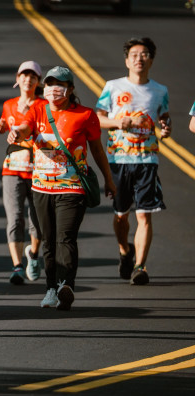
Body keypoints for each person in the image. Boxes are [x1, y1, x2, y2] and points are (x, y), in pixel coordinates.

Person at [8, 66, 116, 310]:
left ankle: (65, 285)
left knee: (65, 237)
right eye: (49, 84)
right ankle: (50, 288)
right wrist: (16, 133)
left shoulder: (85, 115)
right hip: (41, 188)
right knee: (48, 241)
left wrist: (108, 180)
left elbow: (97, 150)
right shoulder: (37, 109)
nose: (53, 89)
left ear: (70, 88)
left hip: (72, 187)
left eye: (60, 84)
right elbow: (25, 128)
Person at [95, 37, 171, 285]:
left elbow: (164, 118)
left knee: (144, 215)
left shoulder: (160, 91)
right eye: (135, 55)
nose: (140, 58)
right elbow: (98, 119)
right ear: (127, 60)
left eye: (145, 54)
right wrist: (121, 122)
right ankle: (125, 251)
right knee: (121, 216)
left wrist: (166, 127)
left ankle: (140, 266)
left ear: (151, 60)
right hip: (118, 159)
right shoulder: (113, 87)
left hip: (147, 160)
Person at [0, 61, 45, 285]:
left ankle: (33, 254)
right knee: (14, 219)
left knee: (37, 221)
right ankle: (17, 266)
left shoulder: (44, 106)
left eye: (33, 76)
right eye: (24, 75)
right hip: (12, 170)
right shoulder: (9, 104)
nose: (28, 79)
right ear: (17, 78)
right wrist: (0, 128)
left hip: (39, 171)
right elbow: (6, 126)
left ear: (38, 81)